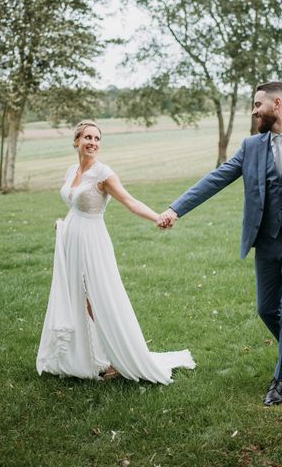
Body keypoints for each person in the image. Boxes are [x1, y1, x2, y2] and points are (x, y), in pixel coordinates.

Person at [158, 82, 282, 405]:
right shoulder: (251, 146)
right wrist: (176, 208)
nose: (253, 111)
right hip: (266, 242)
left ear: (277, 104)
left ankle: (281, 379)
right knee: (266, 308)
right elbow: (215, 179)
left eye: (257, 104)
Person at [37, 120, 195, 384]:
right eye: (87, 137)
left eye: (97, 138)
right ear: (76, 141)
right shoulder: (71, 171)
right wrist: (63, 226)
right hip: (72, 238)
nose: (93, 143)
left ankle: (117, 359)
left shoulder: (103, 174)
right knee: (78, 295)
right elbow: (74, 203)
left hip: (93, 240)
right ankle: (88, 355)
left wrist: (157, 217)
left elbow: (130, 201)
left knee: (99, 298)